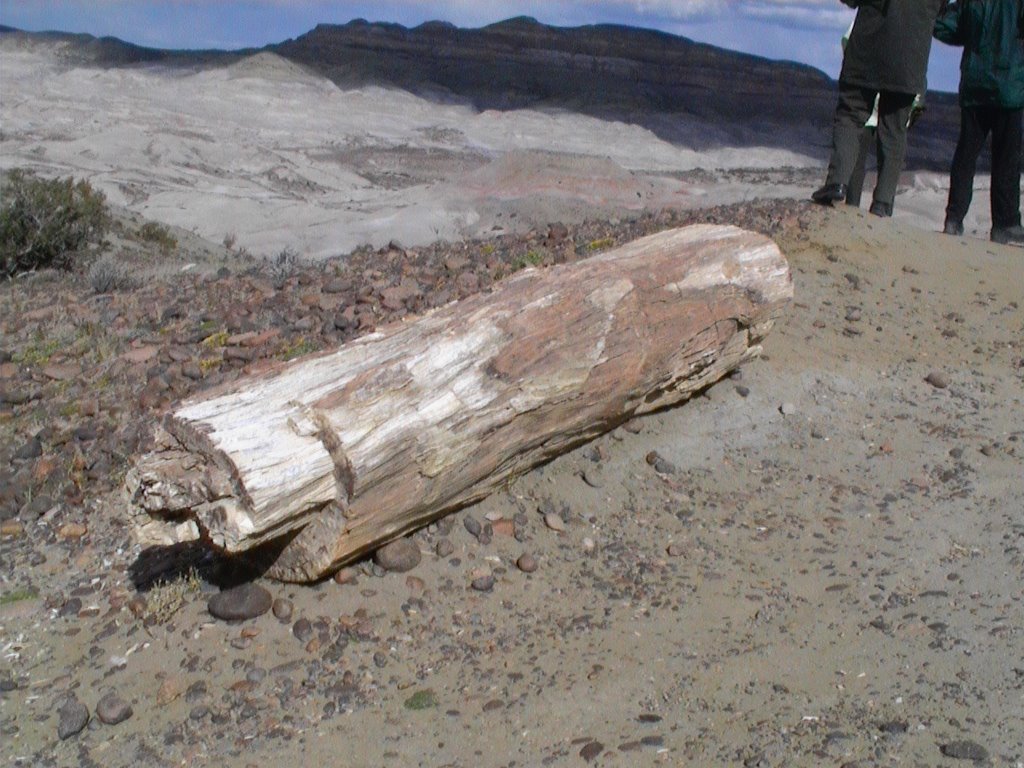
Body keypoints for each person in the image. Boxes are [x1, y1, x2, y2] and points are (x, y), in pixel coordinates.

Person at [813, 0, 946, 217]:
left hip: (868, 48)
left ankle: (837, 183)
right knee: (894, 129)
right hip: (910, 57)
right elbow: (942, 12)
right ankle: (883, 202)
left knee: (850, 114)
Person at [934, 0, 1024, 246]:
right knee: (1007, 158)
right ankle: (1005, 224)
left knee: (966, 154)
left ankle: (954, 218)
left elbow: (945, 26)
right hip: (1009, 86)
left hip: (975, 84)